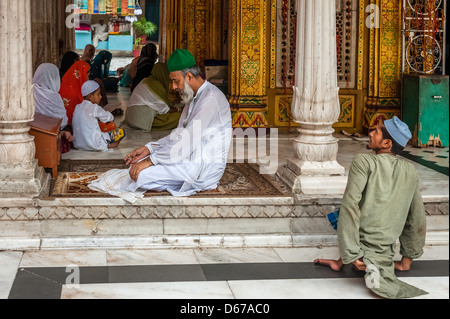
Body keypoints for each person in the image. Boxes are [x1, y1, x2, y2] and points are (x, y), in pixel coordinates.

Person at [88, 49, 232, 201]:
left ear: (189, 76)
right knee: (136, 170)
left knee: (140, 175)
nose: (174, 87)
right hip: (188, 157)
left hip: (202, 167)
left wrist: (150, 160)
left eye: (176, 81)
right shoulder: (195, 97)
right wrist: (149, 149)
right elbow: (179, 134)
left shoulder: (210, 99)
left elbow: (187, 142)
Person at [314, 116, 428, 299]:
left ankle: (355, 260)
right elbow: (416, 217)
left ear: (386, 143)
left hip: (362, 247)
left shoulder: (364, 161)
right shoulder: (410, 171)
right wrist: (407, 260)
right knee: (373, 203)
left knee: (346, 209)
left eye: (376, 131)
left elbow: (351, 205)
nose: (371, 132)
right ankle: (348, 261)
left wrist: (351, 254)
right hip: (386, 248)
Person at [126, 62, 183, 132]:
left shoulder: (147, 81)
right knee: (179, 117)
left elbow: (158, 103)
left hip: (132, 117)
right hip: (142, 121)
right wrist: (179, 109)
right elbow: (166, 110)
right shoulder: (155, 86)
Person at [72, 81, 125, 152]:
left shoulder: (77, 107)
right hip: (95, 145)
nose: (101, 96)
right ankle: (108, 144)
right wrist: (108, 114)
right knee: (122, 132)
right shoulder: (95, 108)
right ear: (90, 96)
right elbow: (110, 118)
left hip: (78, 144)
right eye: (98, 94)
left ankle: (107, 142)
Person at [32, 63, 74, 153]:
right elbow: (62, 121)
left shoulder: (29, 90)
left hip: (30, 134)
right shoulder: (54, 97)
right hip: (49, 137)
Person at [59, 60, 91, 127]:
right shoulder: (76, 93)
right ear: (81, 75)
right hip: (70, 125)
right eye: (87, 76)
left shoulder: (65, 85)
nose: (88, 79)